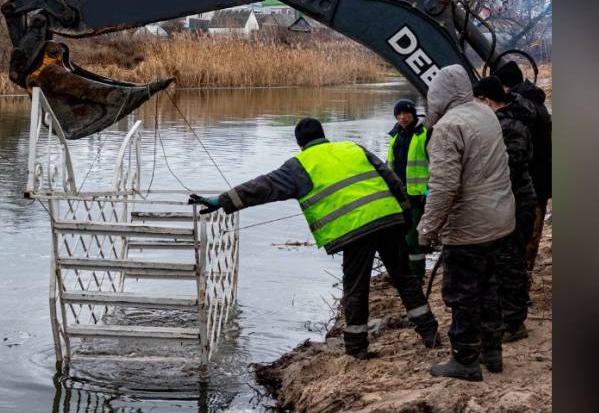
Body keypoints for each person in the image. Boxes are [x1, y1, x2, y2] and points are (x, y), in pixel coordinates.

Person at [188, 118, 440, 360]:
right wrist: (405, 214)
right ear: (323, 134)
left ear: (299, 143)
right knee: (404, 278)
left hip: (355, 230)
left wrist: (221, 201)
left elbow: (263, 187)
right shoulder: (352, 148)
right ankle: (430, 333)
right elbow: (392, 179)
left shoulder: (300, 165)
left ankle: (356, 348)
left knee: (356, 287)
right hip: (388, 219)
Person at [416, 66, 516, 382]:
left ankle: (465, 360)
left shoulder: (448, 127)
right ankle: (493, 353)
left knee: (463, 296)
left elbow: (444, 187)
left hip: (469, 229)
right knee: (490, 289)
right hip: (500, 221)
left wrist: (427, 228)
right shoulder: (485, 113)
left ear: (438, 96)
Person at [474, 76, 536, 343]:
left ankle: (513, 322)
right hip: (506, 201)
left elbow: (511, 164)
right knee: (504, 261)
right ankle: (505, 316)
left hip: (515, 201)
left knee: (510, 262)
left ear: (487, 100)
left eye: (478, 102)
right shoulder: (502, 121)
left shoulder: (510, 125)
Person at [494, 61, 552, 271]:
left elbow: (518, 153)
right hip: (541, 180)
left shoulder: (522, 108)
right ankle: (522, 278)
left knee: (526, 236)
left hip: (531, 183)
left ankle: (521, 282)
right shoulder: (535, 102)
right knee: (530, 235)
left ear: (506, 86)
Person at [387, 99, 431, 283]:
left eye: (406, 113)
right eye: (399, 114)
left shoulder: (424, 134)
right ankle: (405, 273)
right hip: (399, 195)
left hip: (418, 196)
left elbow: (436, 166)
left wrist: (428, 193)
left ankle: (417, 275)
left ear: (413, 114)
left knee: (413, 239)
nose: (403, 117)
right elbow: (390, 166)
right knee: (401, 238)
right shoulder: (395, 135)